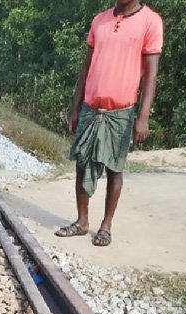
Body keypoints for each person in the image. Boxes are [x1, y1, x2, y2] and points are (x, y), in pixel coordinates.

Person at [56, 0, 163, 247]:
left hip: (121, 112)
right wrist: (75, 107)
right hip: (90, 108)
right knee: (82, 163)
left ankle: (106, 226)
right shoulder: (100, 20)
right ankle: (82, 222)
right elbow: (86, 67)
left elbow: (151, 74)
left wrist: (143, 116)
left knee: (115, 169)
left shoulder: (150, 21)